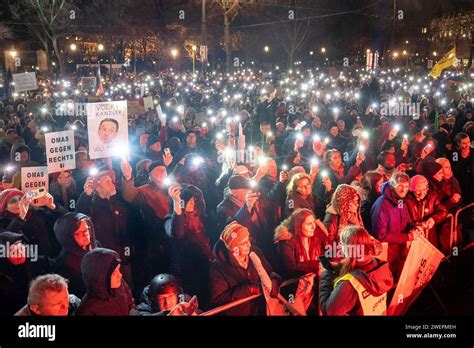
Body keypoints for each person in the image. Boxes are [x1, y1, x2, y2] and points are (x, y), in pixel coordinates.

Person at [209, 222, 281, 316]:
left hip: (263, 309)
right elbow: (217, 299)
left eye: (249, 240)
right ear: (234, 248)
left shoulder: (255, 252)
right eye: (243, 243)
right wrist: (249, 290)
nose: (249, 245)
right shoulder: (218, 267)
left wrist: (274, 282)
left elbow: (270, 272)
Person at [319, 226, 394, 316]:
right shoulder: (380, 266)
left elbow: (329, 311)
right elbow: (361, 267)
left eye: (341, 244)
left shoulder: (350, 284)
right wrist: (338, 266)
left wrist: (326, 274)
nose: (340, 247)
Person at [120, 159, 171, 279]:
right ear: (150, 175)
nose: (162, 172)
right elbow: (129, 195)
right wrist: (128, 178)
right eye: (158, 170)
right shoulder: (145, 190)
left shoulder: (171, 188)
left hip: (172, 238)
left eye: (164, 170)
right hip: (154, 241)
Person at [166, 184, 213, 306]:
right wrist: (177, 204)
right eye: (189, 199)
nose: (192, 202)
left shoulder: (200, 220)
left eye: (194, 199)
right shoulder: (170, 220)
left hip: (203, 270)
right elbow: (177, 232)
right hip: (186, 273)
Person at [274, 208, 328, 314]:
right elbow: (291, 268)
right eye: (309, 224)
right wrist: (315, 266)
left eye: (313, 222)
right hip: (296, 289)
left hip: (316, 285)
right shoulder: (286, 242)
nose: (313, 226)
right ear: (298, 226)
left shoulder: (317, 233)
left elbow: (326, 253)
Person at [370, 172, 422, 281]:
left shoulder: (401, 200)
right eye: (400, 186)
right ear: (392, 185)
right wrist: (407, 237)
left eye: (406, 186)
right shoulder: (381, 205)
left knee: (399, 281)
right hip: (387, 255)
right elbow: (380, 235)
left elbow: (408, 221)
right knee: (388, 282)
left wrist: (414, 227)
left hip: (399, 251)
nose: (404, 190)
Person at [78, 248, 137, 316]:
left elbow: (130, 303)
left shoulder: (120, 284)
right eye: (114, 273)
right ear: (101, 278)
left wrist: (133, 311)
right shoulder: (88, 309)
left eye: (118, 270)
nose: (120, 275)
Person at [0, 232, 46, 315]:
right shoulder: (4, 278)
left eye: (21, 248)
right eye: (13, 252)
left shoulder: (38, 262)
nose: (20, 253)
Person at [53, 213, 97, 298]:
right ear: (67, 236)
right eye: (79, 233)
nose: (86, 234)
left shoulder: (95, 245)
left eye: (87, 229)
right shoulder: (63, 263)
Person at [405, 175, 448, 250]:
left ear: (427, 188)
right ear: (411, 190)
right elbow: (403, 219)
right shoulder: (406, 200)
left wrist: (433, 219)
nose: (422, 193)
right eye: (418, 191)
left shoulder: (432, 196)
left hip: (430, 238)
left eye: (424, 189)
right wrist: (415, 226)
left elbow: (443, 211)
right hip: (413, 238)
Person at [15, 274, 81, 316]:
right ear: (36, 309)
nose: (65, 306)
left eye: (66, 298)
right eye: (57, 304)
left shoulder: (73, 301)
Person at [450, 132, 474, 203]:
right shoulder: (455, 153)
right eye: (464, 143)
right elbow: (454, 170)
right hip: (462, 183)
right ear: (458, 143)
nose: (467, 145)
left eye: (468, 142)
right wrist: (463, 159)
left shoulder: (472, 151)